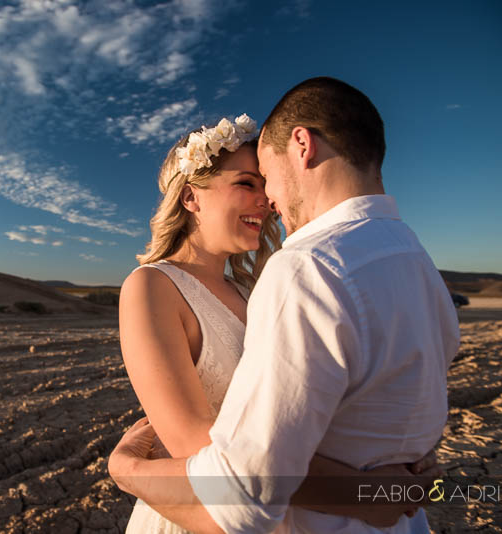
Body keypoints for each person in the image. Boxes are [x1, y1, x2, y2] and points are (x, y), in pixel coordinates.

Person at [117, 106, 447, 533]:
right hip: (208, 511)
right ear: (191, 197)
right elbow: (196, 442)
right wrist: (359, 492)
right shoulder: (150, 286)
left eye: (264, 183)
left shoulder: (252, 291)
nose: (266, 200)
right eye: (245, 183)